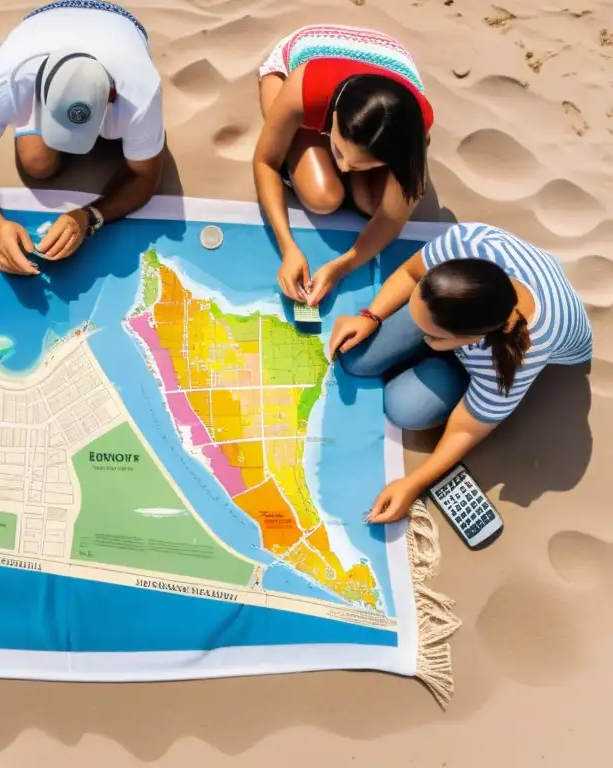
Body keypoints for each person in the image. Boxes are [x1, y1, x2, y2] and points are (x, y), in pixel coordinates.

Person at [328, 223, 592, 524]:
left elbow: (466, 430)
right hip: (485, 306)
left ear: (469, 340)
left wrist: (413, 484)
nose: (416, 329)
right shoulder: (469, 241)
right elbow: (411, 274)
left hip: (513, 345)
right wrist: (371, 316)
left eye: (430, 334)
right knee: (358, 358)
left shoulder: (515, 359)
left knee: (405, 407)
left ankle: (449, 367)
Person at [0, 1, 165, 276]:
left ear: (111, 96)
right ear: (39, 92)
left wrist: (88, 217)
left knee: (139, 152)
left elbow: (146, 176)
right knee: (37, 163)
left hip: (122, 24)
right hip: (41, 21)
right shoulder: (9, 79)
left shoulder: (140, 92)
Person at [252, 24, 433, 306]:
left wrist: (340, 267)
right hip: (309, 62)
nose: (345, 168)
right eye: (338, 150)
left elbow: (392, 219)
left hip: (389, 60)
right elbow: (265, 162)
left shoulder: (414, 132)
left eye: (362, 166)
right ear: (332, 118)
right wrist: (288, 248)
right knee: (322, 197)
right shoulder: (306, 90)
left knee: (375, 205)